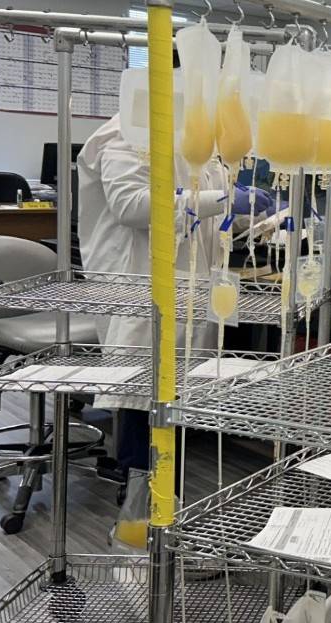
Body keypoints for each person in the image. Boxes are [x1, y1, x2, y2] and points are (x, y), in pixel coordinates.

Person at [76, 113, 271, 475]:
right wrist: (225, 198)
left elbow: (204, 213)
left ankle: (164, 506)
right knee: (143, 398)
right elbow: (131, 205)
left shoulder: (195, 131)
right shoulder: (127, 130)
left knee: (173, 404)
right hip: (142, 286)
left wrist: (258, 217)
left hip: (191, 289)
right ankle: (137, 511)